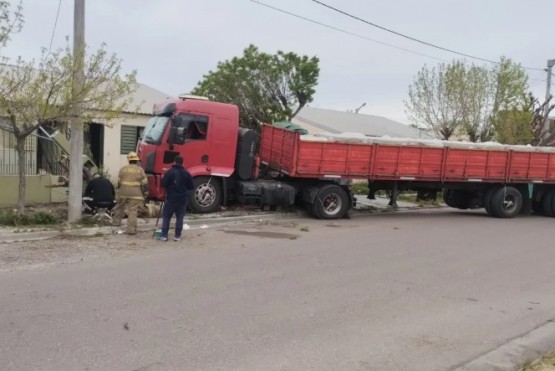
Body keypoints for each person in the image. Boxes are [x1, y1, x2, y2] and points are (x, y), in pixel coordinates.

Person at [158, 155, 194, 241]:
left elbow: (163, 184)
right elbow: (191, 186)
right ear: (183, 163)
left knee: (166, 216)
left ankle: (164, 235)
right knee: (179, 218)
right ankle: (177, 236)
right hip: (182, 199)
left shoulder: (169, 172)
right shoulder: (187, 173)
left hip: (171, 198)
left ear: (174, 162)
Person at [112, 151, 149, 235]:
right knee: (132, 210)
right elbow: (145, 183)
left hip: (123, 192)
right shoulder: (140, 170)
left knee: (119, 207)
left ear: (129, 160)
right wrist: (146, 193)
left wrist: (120, 191)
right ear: (136, 160)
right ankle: (131, 230)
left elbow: (119, 183)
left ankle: (116, 223)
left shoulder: (123, 169)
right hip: (136, 194)